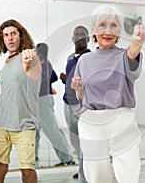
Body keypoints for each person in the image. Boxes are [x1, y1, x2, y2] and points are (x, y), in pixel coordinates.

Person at [71, 5, 145, 183]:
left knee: (128, 174)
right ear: (93, 29)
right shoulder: (84, 60)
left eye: (114, 25)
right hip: (91, 122)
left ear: (119, 30)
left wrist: (138, 42)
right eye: (102, 25)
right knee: (96, 176)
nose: (108, 31)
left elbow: (133, 53)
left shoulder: (124, 56)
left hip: (122, 121)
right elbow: (83, 99)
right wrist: (80, 89)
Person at [0, 19, 41, 183]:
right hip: (3, 123)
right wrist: (0, 77)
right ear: (2, 40)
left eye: (13, 33)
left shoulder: (29, 58)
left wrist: (29, 57)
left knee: (27, 170)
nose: (10, 38)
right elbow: (17, 83)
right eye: (6, 35)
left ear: (21, 36)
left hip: (24, 125)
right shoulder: (8, 61)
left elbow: (28, 65)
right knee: (0, 163)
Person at [35, 42, 75, 166]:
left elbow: (41, 80)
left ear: (39, 52)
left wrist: (44, 85)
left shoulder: (43, 64)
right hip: (42, 98)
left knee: (51, 130)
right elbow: (53, 77)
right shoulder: (46, 64)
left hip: (43, 99)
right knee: (35, 130)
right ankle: (32, 156)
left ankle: (67, 158)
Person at [60, 25, 90, 182]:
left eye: (83, 35)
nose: (80, 38)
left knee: (85, 140)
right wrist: (66, 79)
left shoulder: (91, 57)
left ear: (88, 39)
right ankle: (82, 168)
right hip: (67, 104)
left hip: (82, 104)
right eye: (77, 35)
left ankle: (84, 176)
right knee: (75, 141)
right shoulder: (70, 58)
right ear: (73, 39)